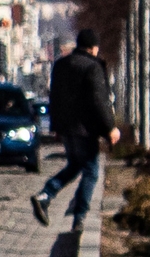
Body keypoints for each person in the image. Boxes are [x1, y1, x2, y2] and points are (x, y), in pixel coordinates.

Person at [33, 27, 119, 225]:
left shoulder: (61, 65)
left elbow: (54, 97)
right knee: (91, 171)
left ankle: (46, 195)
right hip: (85, 128)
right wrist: (110, 128)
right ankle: (79, 217)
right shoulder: (92, 66)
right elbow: (99, 100)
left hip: (67, 127)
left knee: (75, 165)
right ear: (93, 47)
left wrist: (56, 127)